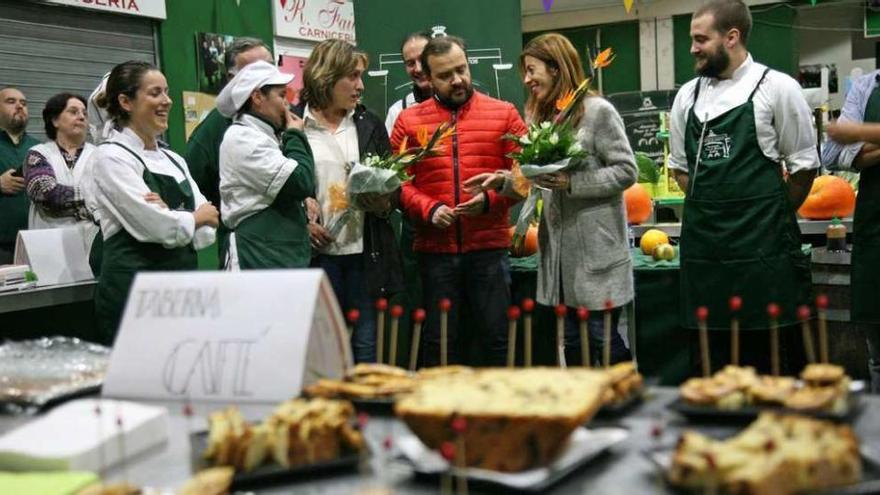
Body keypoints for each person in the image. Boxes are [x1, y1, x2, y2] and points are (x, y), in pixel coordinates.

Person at [465, 33, 637, 366]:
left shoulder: (598, 112)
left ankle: (624, 403)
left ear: (556, 69)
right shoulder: (542, 119)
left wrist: (572, 182)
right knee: (570, 341)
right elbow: (534, 179)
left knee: (602, 338)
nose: (527, 80)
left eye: (532, 70)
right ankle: (579, 411)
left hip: (596, 252)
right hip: (559, 255)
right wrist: (501, 182)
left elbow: (626, 171)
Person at [668, 0, 817, 369]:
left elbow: (803, 168)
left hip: (764, 255)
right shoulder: (687, 96)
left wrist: (769, 215)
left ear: (732, 37)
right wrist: (715, 207)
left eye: (701, 39)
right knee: (710, 364)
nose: (692, 48)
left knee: (770, 362)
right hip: (705, 257)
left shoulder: (777, 88)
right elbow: (680, 168)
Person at [391, 35, 527, 367]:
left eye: (461, 69)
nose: (457, 80)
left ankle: (500, 415)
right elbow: (395, 183)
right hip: (435, 254)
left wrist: (490, 200)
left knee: (497, 341)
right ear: (427, 78)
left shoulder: (504, 114)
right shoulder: (409, 121)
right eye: (445, 75)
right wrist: (429, 208)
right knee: (439, 346)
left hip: (489, 250)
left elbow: (525, 178)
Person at [89, 61, 219, 344]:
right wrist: (189, 217)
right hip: (133, 294)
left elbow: (209, 226)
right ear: (125, 101)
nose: (167, 101)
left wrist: (173, 215)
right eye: (155, 93)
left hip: (181, 292)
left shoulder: (175, 160)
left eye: (167, 92)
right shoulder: (110, 157)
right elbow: (156, 225)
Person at [293, 39, 404, 364]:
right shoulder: (294, 125)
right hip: (316, 257)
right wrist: (303, 220)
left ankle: (363, 414)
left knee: (365, 350)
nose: (361, 85)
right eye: (352, 77)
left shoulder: (369, 124)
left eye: (361, 76)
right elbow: (281, 187)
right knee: (321, 352)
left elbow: (394, 189)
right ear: (328, 77)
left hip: (364, 255)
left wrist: (382, 202)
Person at [217, 61, 315, 270]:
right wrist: (296, 135)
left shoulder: (267, 135)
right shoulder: (242, 138)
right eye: (281, 95)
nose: (288, 103)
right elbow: (301, 181)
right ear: (257, 97)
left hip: (276, 256)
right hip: (255, 256)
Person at [185, 38, 273, 267]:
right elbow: (191, 193)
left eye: (271, 67)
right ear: (233, 80)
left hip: (289, 250)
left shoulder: (288, 122)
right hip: (246, 253)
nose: (270, 78)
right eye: (257, 71)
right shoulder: (212, 133)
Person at [821, 72, 880, 392]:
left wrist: (859, 133)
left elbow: (846, 137)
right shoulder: (866, 85)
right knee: (878, 357)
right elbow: (831, 153)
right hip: (876, 233)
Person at [0, 87, 40, 264]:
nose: (19, 106)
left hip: (37, 242)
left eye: (23, 103)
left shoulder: (39, 148)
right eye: (11, 101)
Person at [385, 31, 433, 134]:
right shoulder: (397, 111)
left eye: (423, 59)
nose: (418, 69)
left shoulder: (458, 102)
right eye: (411, 63)